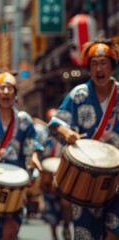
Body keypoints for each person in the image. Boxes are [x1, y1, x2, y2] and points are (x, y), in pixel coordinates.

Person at [48, 39, 119, 239]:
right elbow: (55, 123)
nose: (99, 68)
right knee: (86, 233)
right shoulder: (78, 95)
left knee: (115, 231)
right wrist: (66, 133)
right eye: (94, 63)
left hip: (117, 176)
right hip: (86, 177)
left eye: (103, 62)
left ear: (113, 66)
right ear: (89, 68)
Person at [0, 71, 42, 240]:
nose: (6, 92)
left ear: (15, 93)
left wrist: (34, 156)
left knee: (10, 233)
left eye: (10, 89)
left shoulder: (24, 120)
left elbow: (31, 144)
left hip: (16, 185)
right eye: (2, 88)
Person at [37, 108, 72, 240]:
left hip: (64, 176)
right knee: (50, 208)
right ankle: (54, 235)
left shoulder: (66, 136)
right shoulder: (44, 137)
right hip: (48, 177)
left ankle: (67, 226)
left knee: (66, 204)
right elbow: (38, 152)